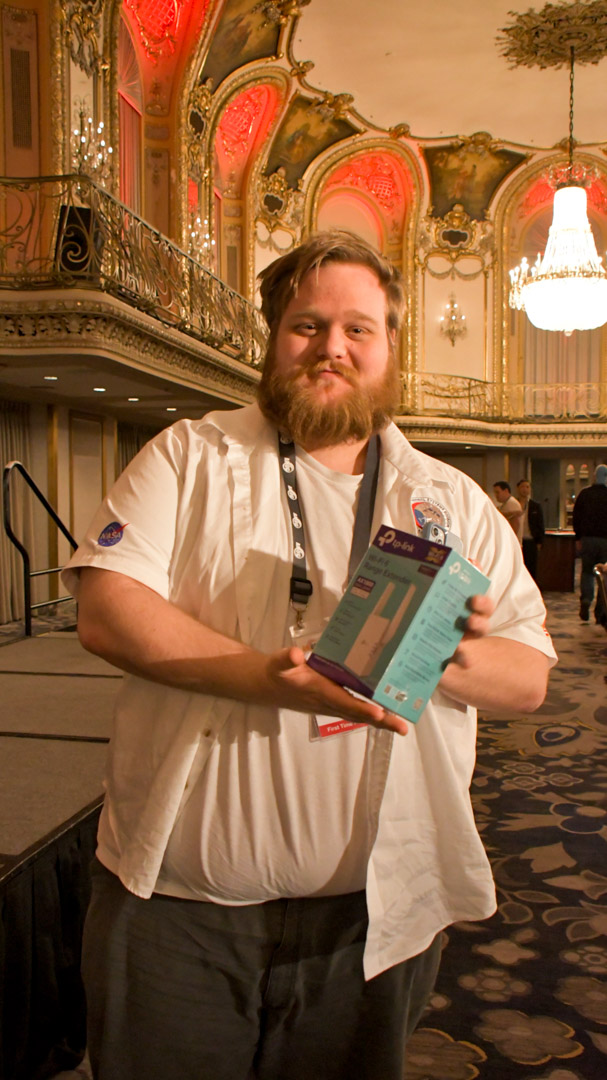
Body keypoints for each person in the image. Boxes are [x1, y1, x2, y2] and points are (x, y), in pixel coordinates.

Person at [62, 231, 556, 1080]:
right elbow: (108, 613)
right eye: (307, 325)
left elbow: (530, 679)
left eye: (358, 328)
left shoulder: (452, 500)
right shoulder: (189, 456)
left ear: (390, 345)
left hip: (372, 919)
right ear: (273, 338)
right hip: (180, 908)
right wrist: (269, 679)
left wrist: (438, 650)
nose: (332, 346)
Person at [572, 463, 607, 623]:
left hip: (587, 539)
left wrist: (578, 537)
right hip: (606, 541)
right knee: (604, 575)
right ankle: (601, 610)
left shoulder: (585, 494)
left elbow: (576, 517)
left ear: (594, 476)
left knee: (587, 571)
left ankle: (586, 599)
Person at [516, 478, 545, 582]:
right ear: (518, 489)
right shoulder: (514, 503)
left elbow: (540, 524)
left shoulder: (535, 506)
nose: (525, 489)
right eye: (522, 487)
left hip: (531, 540)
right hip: (518, 541)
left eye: (527, 487)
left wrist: (540, 541)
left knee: (531, 567)